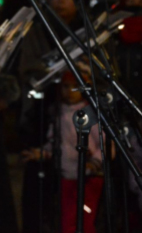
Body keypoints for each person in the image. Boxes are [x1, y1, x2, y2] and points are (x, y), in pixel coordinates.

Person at [23, 70, 105, 233]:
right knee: (67, 221)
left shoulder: (89, 113)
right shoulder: (58, 113)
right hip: (67, 176)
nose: (69, 91)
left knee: (85, 219)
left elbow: (104, 144)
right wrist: (42, 153)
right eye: (65, 86)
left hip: (88, 178)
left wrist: (94, 163)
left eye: (75, 87)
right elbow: (56, 144)